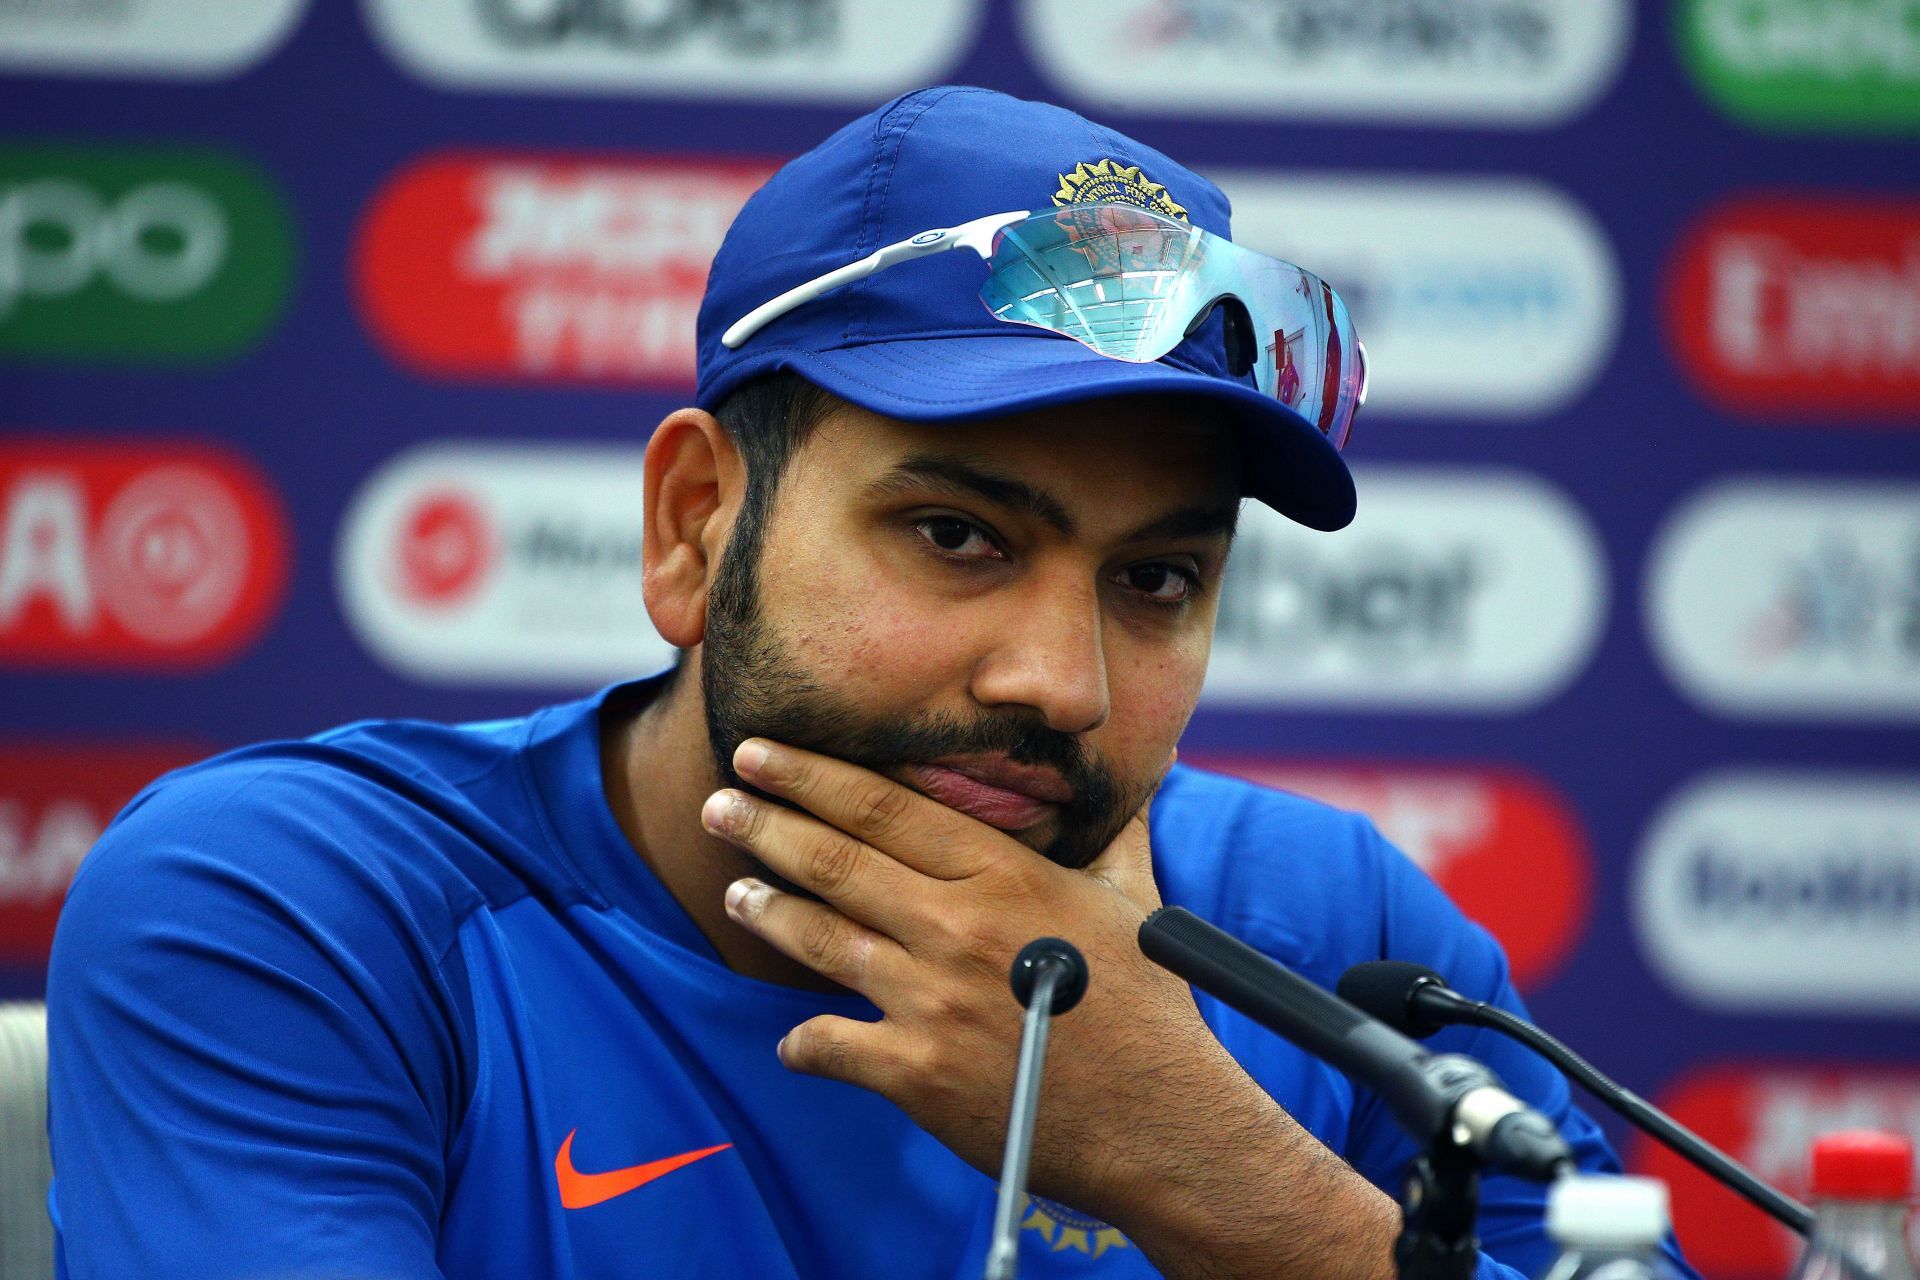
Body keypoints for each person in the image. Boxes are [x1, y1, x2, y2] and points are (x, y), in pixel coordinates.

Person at [47, 86, 1694, 1280]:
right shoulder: (302, 904)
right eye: (959, 537)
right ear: (698, 526)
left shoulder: (1324, 928)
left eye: (1158, 580)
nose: (1061, 680)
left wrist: (1214, 1176)